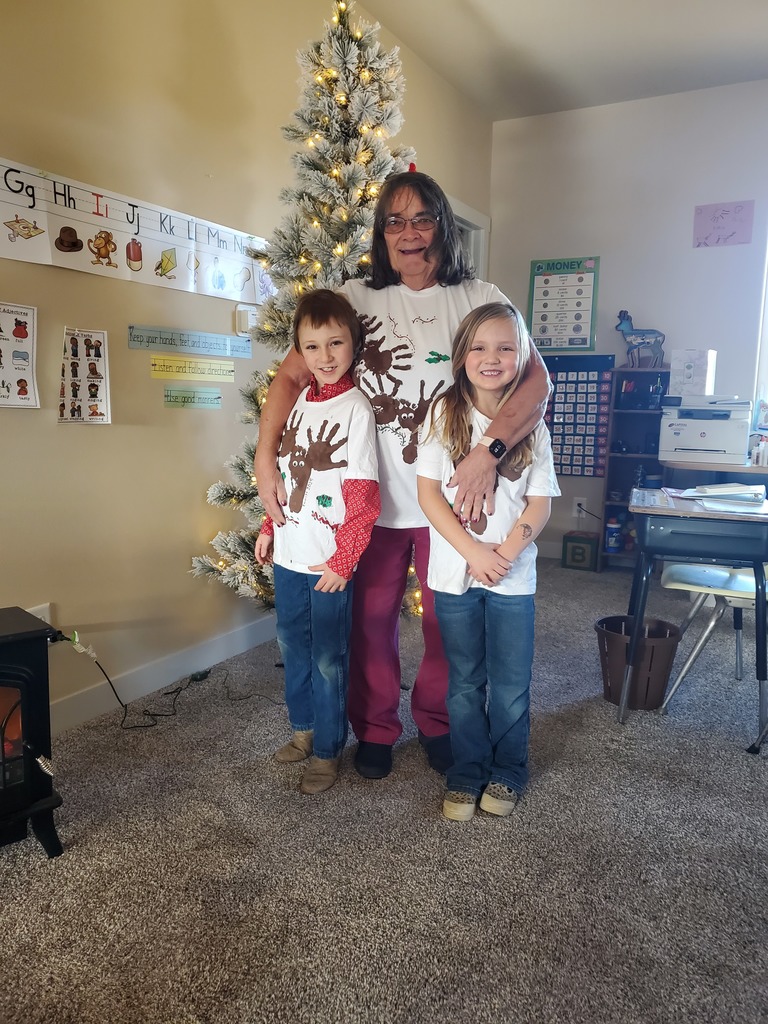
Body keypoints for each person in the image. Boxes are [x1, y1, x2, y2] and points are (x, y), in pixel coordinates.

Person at [255, 170, 551, 781]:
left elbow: (536, 382)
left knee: (450, 629)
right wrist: (264, 457)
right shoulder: (356, 298)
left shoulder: (480, 296)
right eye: (395, 220)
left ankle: (440, 723)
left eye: (422, 219)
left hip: (456, 503)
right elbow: (291, 377)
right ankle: (377, 728)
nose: (409, 233)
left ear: (443, 225)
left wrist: (488, 453)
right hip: (368, 505)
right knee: (368, 624)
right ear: (380, 232)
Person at [416, 302, 560, 821]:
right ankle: (467, 770)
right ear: (461, 355)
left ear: (523, 358)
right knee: (464, 681)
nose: (491, 357)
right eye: (479, 346)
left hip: (512, 578)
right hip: (454, 576)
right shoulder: (442, 413)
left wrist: (503, 555)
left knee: (510, 684)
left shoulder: (533, 427)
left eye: (505, 347)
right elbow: (429, 496)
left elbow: (540, 504)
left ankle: (509, 770)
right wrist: (474, 553)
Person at [255, 290, 380, 795]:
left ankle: (328, 748)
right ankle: (304, 730)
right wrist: (270, 527)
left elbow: (363, 496)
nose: (325, 357)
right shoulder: (300, 403)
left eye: (335, 344)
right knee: (293, 646)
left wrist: (345, 560)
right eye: (312, 347)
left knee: (329, 658)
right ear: (298, 352)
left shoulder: (357, 410)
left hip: (329, 565)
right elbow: (284, 476)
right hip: (288, 555)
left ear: (354, 344)